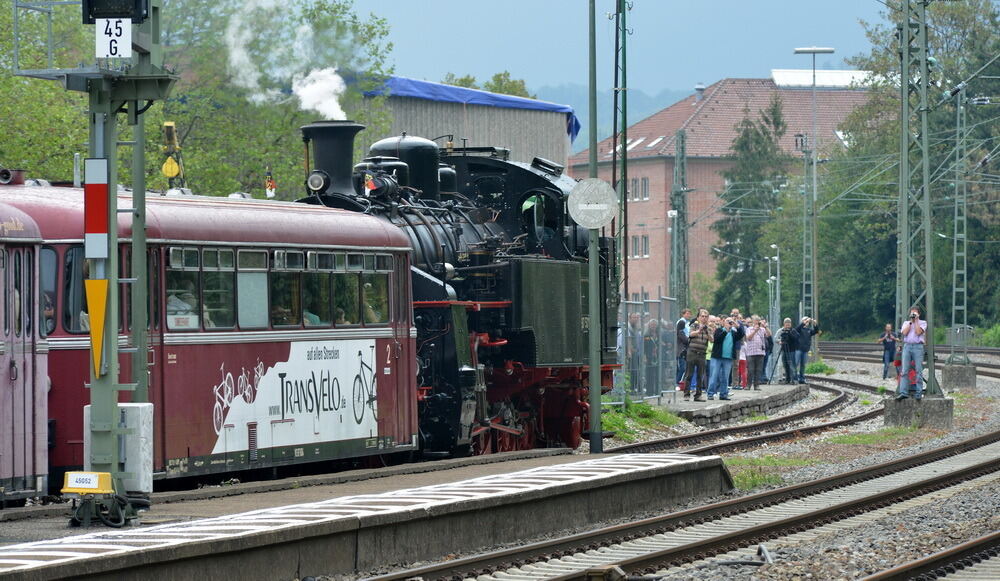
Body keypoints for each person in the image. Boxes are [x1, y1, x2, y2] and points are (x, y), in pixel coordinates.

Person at [708, 316, 744, 401]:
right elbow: (717, 339)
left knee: (725, 377)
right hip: (717, 357)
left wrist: (737, 325)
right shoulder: (719, 330)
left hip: (728, 358)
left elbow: (741, 334)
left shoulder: (733, 333)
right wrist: (726, 330)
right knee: (714, 375)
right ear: (724, 322)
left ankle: (723, 394)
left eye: (731, 322)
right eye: (728, 321)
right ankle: (710, 393)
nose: (729, 323)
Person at [898, 306, 927, 400]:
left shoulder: (923, 323)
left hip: (918, 347)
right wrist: (911, 322)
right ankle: (903, 392)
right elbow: (904, 333)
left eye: (915, 313)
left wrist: (917, 321)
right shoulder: (906, 323)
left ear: (919, 314)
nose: (913, 315)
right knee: (904, 370)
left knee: (918, 370)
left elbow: (918, 332)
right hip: (907, 346)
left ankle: (918, 393)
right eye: (912, 313)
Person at [681, 309, 710, 401]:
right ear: (698, 317)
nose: (704, 318)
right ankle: (686, 394)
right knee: (689, 374)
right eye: (702, 316)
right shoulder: (694, 325)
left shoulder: (709, 328)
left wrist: (707, 331)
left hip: (702, 354)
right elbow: (691, 334)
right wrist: (699, 330)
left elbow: (712, 339)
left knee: (700, 375)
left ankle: (698, 395)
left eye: (706, 316)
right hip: (692, 352)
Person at [743, 315, 769, 390]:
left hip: (760, 352)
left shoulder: (762, 329)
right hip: (751, 353)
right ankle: (748, 385)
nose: (757, 322)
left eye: (758, 320)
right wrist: (755, 331)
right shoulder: (749, 329)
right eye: (756, 320)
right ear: (753, 321)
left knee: (758, 370)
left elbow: (769, 335)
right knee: (751, 369)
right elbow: (748, 338)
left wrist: (765, 327)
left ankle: (756, 385)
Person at [794, 317, 821, 384]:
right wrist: (804, 322)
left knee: (803, 365)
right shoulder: (799, 329)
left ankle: (802, 378)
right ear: (802, 321)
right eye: (805, 321)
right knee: (796, 364)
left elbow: (816, 331)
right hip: (798, 349)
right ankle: (794, 378)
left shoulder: (809, 330)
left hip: (805, 350)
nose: (807, 322)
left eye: (808, 321)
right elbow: (796, 329)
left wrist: (815, 324)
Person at [776, 318, 799, 384]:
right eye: (786, 324)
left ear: (790, 324)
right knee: (785, 364)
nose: (787, 325)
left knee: (792, 365)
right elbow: (777, 338)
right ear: (784, 324)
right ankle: (787, 379)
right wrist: (780, 341)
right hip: (784, 349)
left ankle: (794, 379)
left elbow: (796, 338)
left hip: (791, 350)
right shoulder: (781, 331)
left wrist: (790, 333)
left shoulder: (793, 330)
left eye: (789, 324)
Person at [642, 319, 660, 395]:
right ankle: (649, 391)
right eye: (652, 325)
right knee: (649, 374)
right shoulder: (646, 335)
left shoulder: (659, 334)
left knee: (658, 373)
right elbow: (644, 347)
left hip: (658, 356)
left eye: (655, 325)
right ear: (649, 326)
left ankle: (657, 391)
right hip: (649, 356)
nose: (653, 326)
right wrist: (644, 356)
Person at [675, 309, 692, 386]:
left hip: (685, 347)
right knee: (682, 367)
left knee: (683, 367)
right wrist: (687, 339)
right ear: (683, 314)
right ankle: (677, 382)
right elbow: (682, 335)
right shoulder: (681, 322)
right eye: (687, 313)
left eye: (690, 314)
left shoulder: (687, 322)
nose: (689, 315)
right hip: (681, 348)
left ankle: (680, 382)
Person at [760, 319, 774, 384]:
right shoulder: (758, 329)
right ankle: (761, 377)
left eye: (764, 322)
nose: (763, 323)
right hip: (760, 350)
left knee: (764, 364)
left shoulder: (765, 329)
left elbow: (769, 334)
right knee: (761, 364)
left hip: (766, 349)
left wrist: (765, 327)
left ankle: (763, 377)